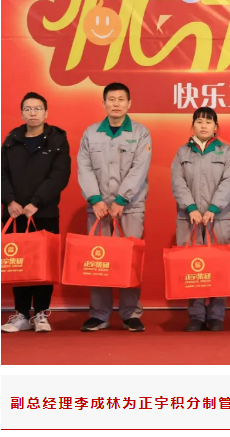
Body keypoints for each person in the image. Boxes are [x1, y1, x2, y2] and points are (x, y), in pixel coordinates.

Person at [77, 82, 152, 333]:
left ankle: (131, 314)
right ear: (104, 103)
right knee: (98, 260)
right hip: (98, 208)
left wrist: (121, 199)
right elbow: (84, 167)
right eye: (111, 99)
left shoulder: (141, 133)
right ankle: (99, 315)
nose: (116, 104)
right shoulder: (91, 133)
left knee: (130, 260)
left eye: (121, 99)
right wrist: (94, 199)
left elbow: (139, 168)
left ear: (129, 104)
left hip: (129, 208)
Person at [1, 92, 71, 333]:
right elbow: (2, 173)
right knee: (18, 264)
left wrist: (37, 202)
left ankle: (41, 313)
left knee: (43, 265)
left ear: (46, 113)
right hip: (14, 214)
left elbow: (60, 175)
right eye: (28, 109)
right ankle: (21, 314)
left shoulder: (57, 140)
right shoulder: (11, 140)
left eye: (37, 108)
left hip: (44, 212)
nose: (33, 113)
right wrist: (9, 201)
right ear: (22, 113)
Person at [171, 107, 230, 332]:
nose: (203, 126)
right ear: (192, 126)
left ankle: (217, 315)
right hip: (189, 218)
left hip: (218, 218)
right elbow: (178, 182)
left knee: (219, 266)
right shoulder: (182, 153)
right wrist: (190, 208)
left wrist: (213, 208)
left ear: (216, 127)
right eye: (199, 121)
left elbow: (229, 182)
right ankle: (196, 316)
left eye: (208, 122)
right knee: (193, 267)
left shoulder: (225, 152)